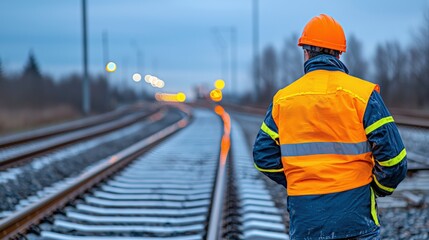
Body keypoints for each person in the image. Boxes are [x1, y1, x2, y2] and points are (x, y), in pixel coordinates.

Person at [253, 14, 407, 240]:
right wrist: (378, 188)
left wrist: (299, 180)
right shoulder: (362, 95)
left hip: (306, 220)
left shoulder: (283, 100)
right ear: (339, 53)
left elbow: (262, 156)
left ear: (305, 52)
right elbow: (394, 160)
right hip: (355, 217)